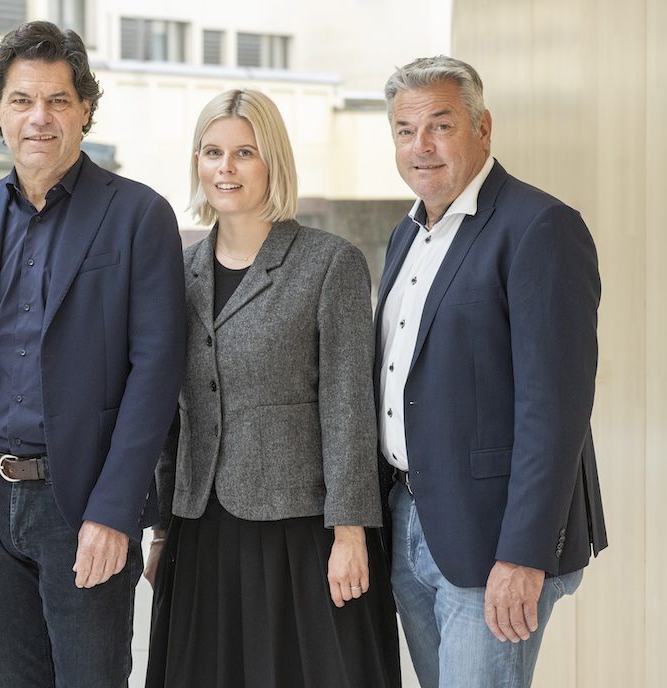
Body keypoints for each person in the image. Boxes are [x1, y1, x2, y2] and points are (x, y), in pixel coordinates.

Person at [0, 20, 186, 688]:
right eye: (21, 100)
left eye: (58, 100)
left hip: (84, 507)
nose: (39, 117)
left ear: (84, 111)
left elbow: (156, 372)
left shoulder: (138, 216)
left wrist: (115, 510)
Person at [143, 89, 401, 688]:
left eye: (244, 153)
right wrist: (161, 530)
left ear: (273, 163)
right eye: (212, 152)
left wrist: (351, 533)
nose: (225, 169)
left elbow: (347, 409)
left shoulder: (328, 264)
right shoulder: (177, 273)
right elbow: (170, 416)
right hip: (200, 529)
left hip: (299, 534)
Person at [376, 56, 607, 688]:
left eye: (440, 125)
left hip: (492, 540)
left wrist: (522, 555)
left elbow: (555, 410)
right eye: (404, 130)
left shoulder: (540, 228)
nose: (420, 146)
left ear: (483, 127)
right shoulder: (407, 235)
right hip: (412, 520)